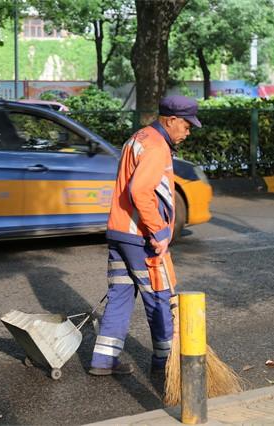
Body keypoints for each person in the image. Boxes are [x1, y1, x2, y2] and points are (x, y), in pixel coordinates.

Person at [89, 95, 201, 376]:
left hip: (119, 232)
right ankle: (165, 365)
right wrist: (160, 232)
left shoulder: (138, 137)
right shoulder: (156, 146)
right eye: (187, 126)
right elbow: (140, 191)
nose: (187, 133)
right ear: (172, 120)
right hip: (139, 236)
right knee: (159, 297)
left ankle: (103, 360)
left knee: (121, 295)